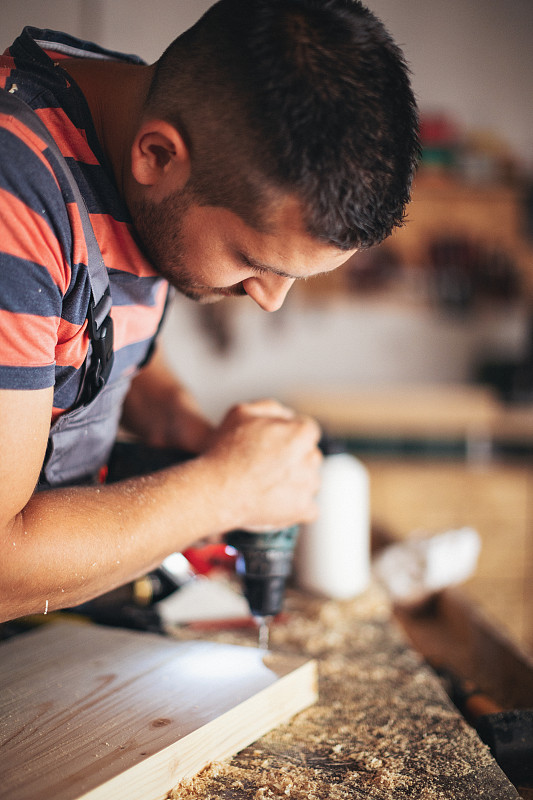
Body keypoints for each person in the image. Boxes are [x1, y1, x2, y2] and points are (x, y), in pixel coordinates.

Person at [0, 0, 419, 623]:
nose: (269, 300)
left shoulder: (122, 145)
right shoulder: (17, 186)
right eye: (253, 260)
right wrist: (224, 489)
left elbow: (82, 335)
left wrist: (182, 425)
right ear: (158, 157)